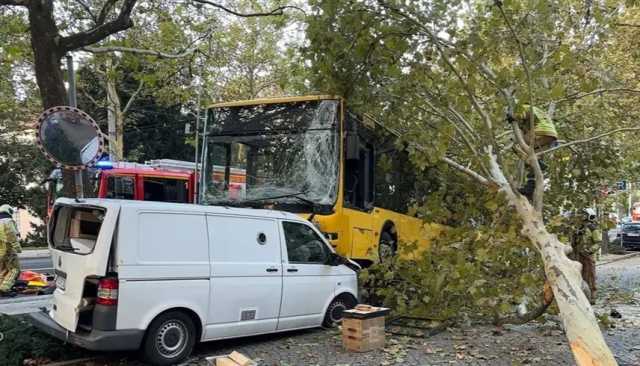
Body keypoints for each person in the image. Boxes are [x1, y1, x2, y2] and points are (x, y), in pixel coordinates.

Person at [572, 209, 601, 304]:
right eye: (582, 214)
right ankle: (583, 295)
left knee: (591, 275)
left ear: (590, 215)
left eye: (585, 214)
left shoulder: (593, 228)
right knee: (581, 275)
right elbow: (575, 242)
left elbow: (598, 242)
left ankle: (593, 296)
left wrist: (590, 250)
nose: (582, 216)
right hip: (579, 255)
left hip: (589, 256)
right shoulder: (580, 227)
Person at [0, 204, 21, 295]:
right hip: (7, 249)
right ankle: (5, 289)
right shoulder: (7, 221)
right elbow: (11, 234)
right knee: (14, 269)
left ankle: (1, 286)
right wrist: (17, 246)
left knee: (3, 270)